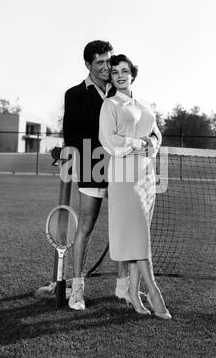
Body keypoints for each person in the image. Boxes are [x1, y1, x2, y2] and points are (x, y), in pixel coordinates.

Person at [36, 41, 130, 310]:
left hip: (120, 167)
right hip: (92, 164)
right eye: (99, 62)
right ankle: (76, 290)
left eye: (108, 61)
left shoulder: (120, 90)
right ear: (88, 65)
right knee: (85, 227)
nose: (105, 67)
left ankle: (123, 288)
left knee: (122, 227)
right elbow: (72, 134)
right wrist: (103, 147)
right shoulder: (75, 94)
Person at [99, 54, 171, 319]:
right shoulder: (110, 105)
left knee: (138, 235)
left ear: (132, 74)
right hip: (124, 176)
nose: (119, 75)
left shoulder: (144, 104)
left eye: (124, 70)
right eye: (115, 71)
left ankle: (133, 292)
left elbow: (155, 132)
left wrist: (153, 143)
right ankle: (153, 292)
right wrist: (140, 144)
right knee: (139, 235)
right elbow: (109, 140)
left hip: (146, 175)